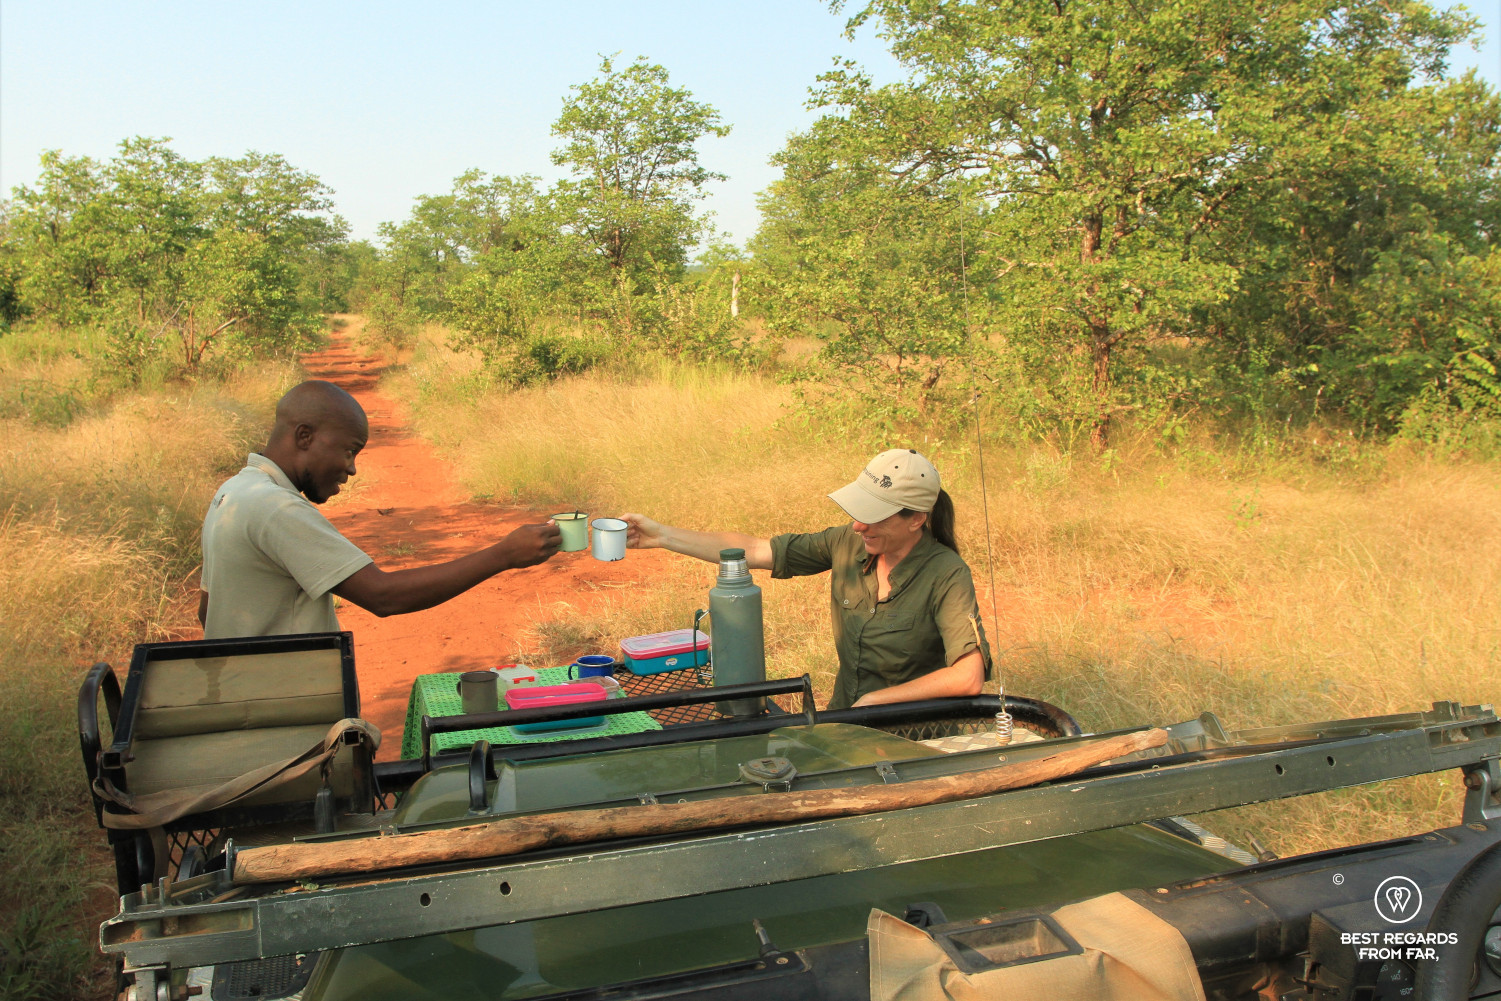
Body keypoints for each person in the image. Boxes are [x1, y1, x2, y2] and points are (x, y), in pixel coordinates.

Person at [620, 449, 991, 710]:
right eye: (859, 510)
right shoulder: (849, 541)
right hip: (847, 722)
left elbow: (968, 676)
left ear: (916, 519)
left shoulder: (946, 574)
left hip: (914, 737)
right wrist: (661, 537)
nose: (859, 524)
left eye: (875, 516)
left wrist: (878, 700)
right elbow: (754, 550)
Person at [199, 380, 561, 639]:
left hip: (247, 698)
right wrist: (504, 555)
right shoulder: (275, 507)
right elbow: (383, 595)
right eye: (348, 451)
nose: (352, 468)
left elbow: (208, 611)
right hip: (285, 711)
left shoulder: (233, 492)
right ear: (304, 436)